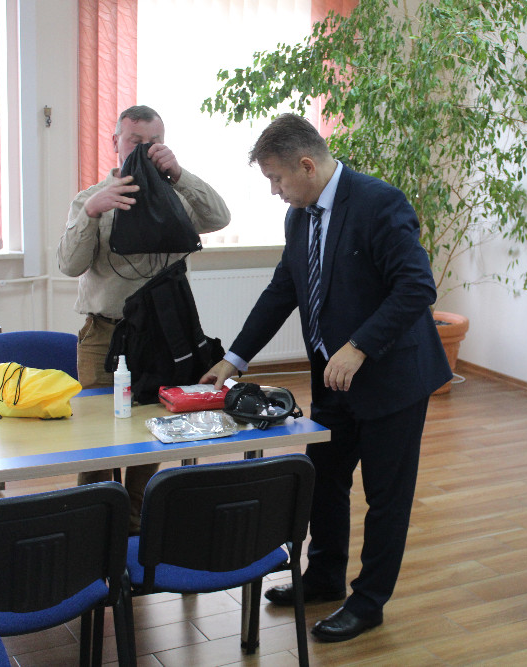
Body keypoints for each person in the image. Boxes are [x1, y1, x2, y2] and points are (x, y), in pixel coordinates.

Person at [201, 113, 451, 642]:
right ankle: (324, 577)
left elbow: (416, 287)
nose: (274, 190)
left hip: (390, 378)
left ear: (307, 166)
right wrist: (236, 359)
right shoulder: (300, 217)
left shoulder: (379, 203)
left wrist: (359, 346)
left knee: (385, 497)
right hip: (333, 379)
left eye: (277, 178)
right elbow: (282, 291)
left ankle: (369, 602)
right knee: (325, 482)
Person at [58, 105, 230, 530]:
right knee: (97, 442)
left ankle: (134, 523)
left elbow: (219, 217)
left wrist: (179, 174)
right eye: (135, 141)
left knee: (150, 432)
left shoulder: (177, 198)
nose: (144, 149)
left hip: (160, 336)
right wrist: (92, 212)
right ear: (115, 142)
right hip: (104, 334)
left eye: (154, 142)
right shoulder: (89, 200)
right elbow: (69, 265)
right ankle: (92, 527)